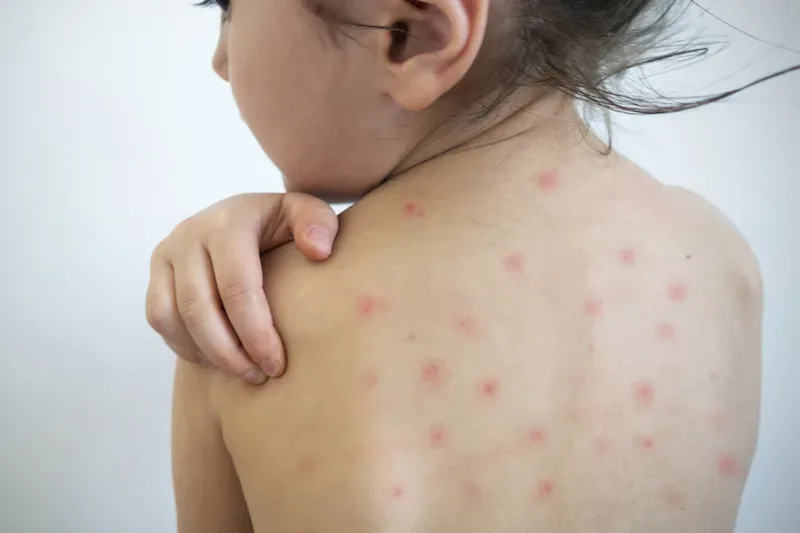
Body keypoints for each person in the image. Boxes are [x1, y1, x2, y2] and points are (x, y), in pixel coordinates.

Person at [145, 1, 794, 531]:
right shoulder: (721, 262)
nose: (221, 60)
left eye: (228, 7)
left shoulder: (246, 321)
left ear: (411, 36)